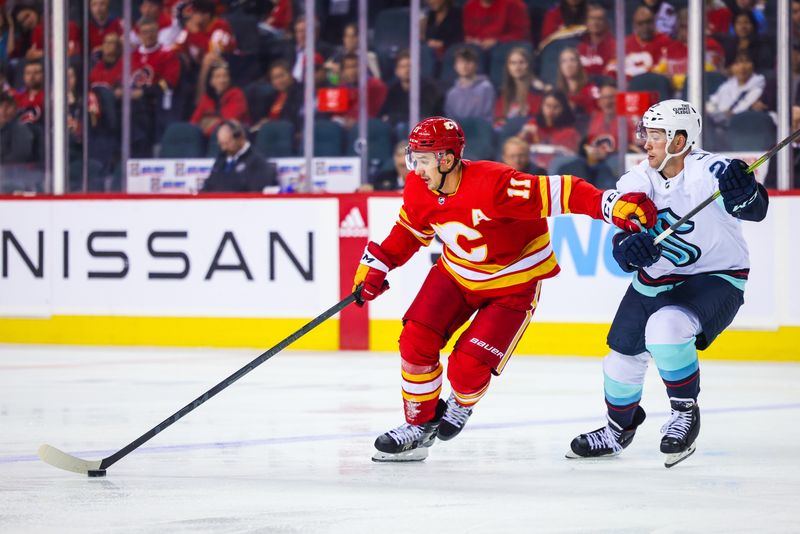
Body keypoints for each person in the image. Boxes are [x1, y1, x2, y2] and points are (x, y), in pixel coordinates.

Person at [352, 115, 658, 462]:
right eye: (414, 159)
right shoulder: (419, 186)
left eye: (422, 161)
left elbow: (567, 192)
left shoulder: (495, 184)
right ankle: (419, 426)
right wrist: (379, 263)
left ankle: (460, 403)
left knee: (466, 369)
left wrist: (611, 205)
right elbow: (411, 231)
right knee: (415, 340)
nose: (415, 169)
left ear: (447, 159)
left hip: (513, 285)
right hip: (455, 275)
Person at [566, 99, 769, 468]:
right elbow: (622, 238)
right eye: (646, 134)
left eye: (655, 136)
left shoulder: (711, 171)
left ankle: (684, 413)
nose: (646, 143)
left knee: (666, 328)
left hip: (716, 278)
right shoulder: (637, 177)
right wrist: (628, 249)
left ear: (679, 141)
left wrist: (746, 192)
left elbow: (754, 209)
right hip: (656, 281)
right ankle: (617, 430)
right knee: (619, 360)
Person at [200, 120, 277, 192]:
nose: (223, 148)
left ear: (240, 138)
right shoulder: (221, 159)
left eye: (227, 143)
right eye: (221, 144)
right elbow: (209, 186)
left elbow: (254, 192)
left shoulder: (257, 162)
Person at [191, 61, 250, 136]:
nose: (222, 80)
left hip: (232, 137)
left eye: (225, 76)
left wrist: (206, 125)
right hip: (210, 137)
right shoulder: (206, 98)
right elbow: (193, 122)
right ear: (211, 81)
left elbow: (227, 123)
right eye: (217, 76)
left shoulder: (237, 94)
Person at [494, 46, 547, 128]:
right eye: (513, 63)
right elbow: (498, 119)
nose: (517, 67)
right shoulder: (502, 92)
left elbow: (539, 118)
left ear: (528, 65)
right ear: (508, 67)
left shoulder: (537, 89)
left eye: (521, 62)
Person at [444, 46, 496, 124]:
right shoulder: (451, 93)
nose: (464, 65)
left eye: (468, 62)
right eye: (460, 62)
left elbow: (487, 117)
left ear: (476, 65)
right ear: (455, 66)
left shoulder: (486, 88)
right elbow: (450, 120)